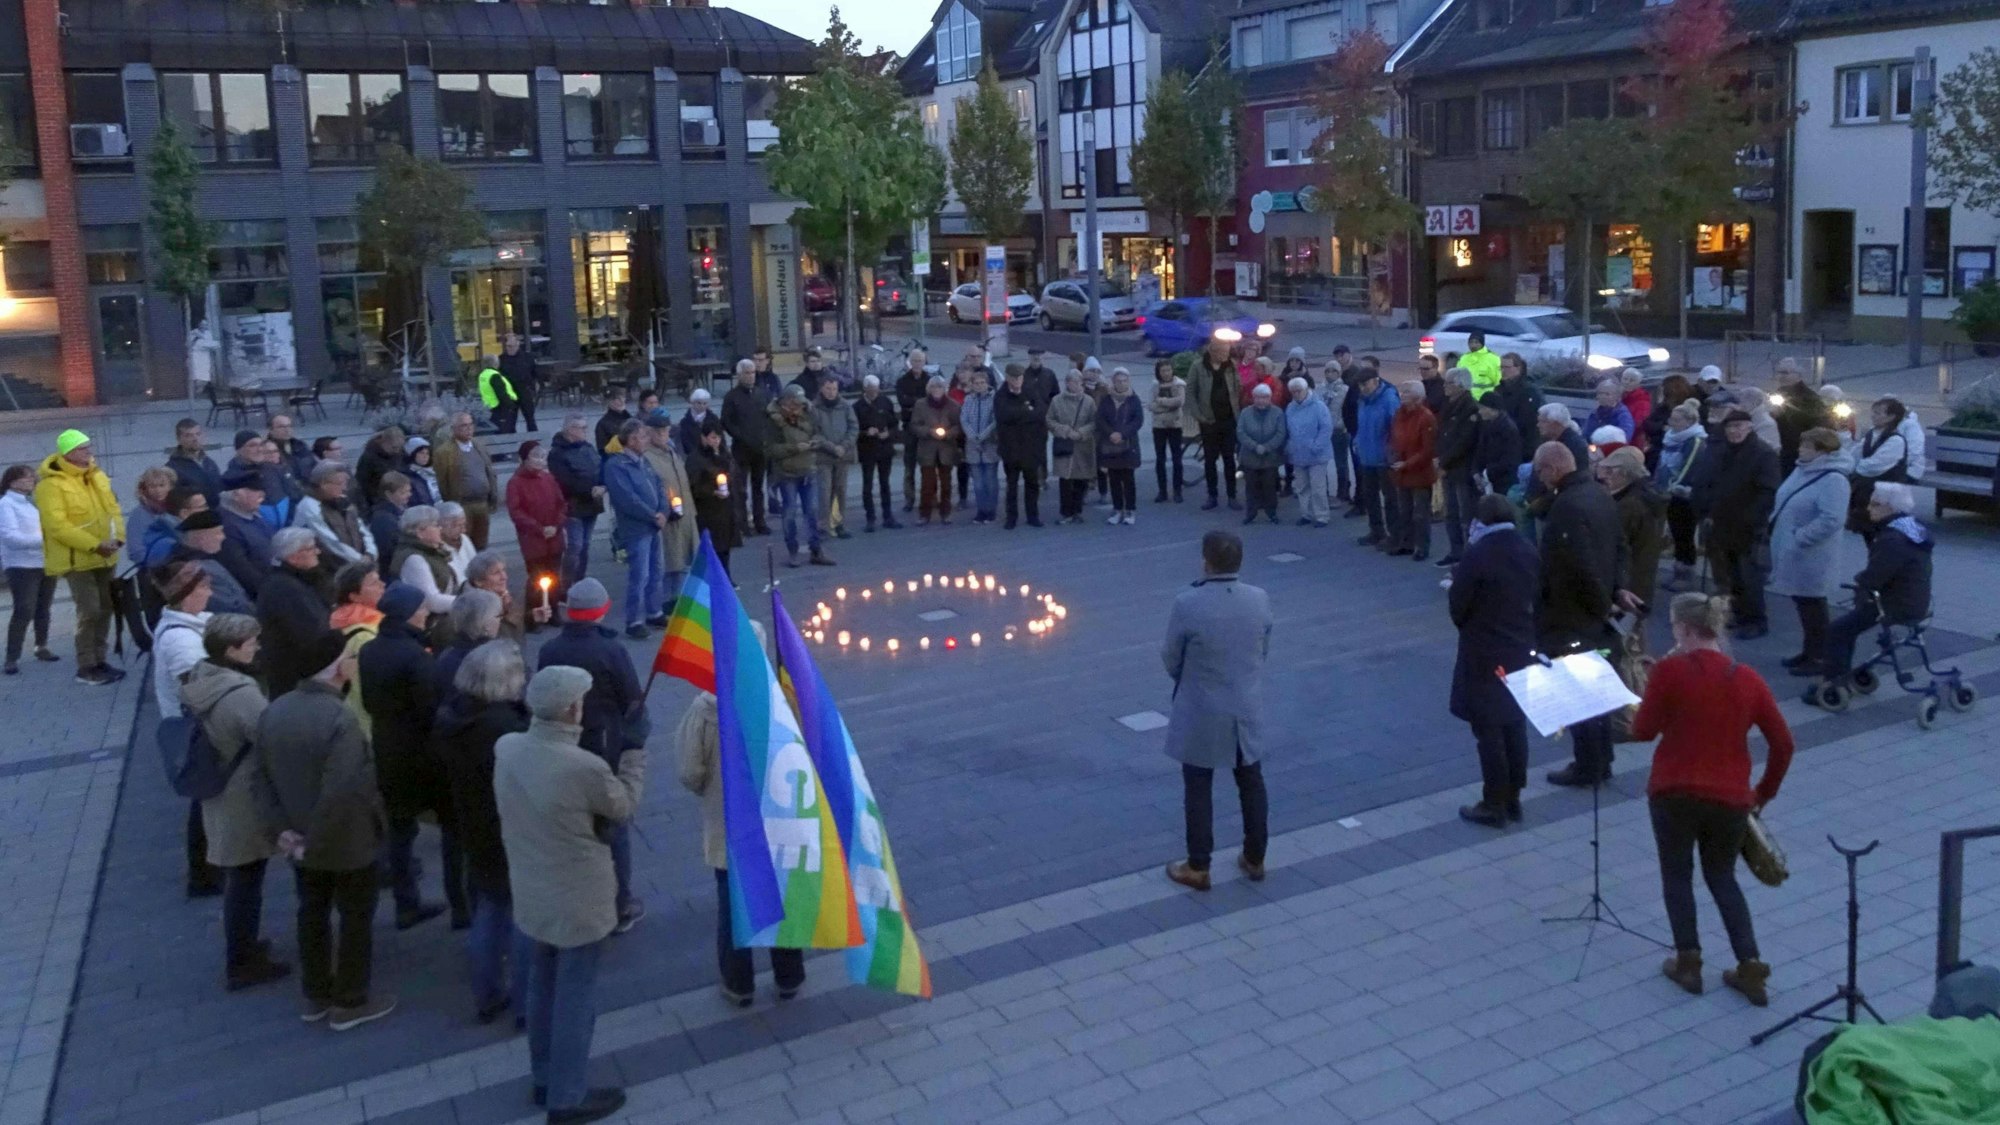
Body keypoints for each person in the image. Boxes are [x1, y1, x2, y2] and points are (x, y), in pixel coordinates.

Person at [496, 665, 645, 1125]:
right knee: (576, 998)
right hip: (578, 898)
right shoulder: (583, 766)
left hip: (532, 889)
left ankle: (544, 1077)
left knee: (541, 987)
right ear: (571, 710)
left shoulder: (508, 747)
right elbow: (620, 805)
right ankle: (568, 1096)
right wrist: (634, 754)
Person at [1634, 593, 1793, 1007]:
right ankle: (1750, 968)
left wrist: (1655, 690)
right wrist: (1763, 794)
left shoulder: (1669, 671)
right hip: (1730, 799)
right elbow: (1783, 744)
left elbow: (1643, 731)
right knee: (1722, 878)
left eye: (1673, 629)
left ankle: (1688, 964)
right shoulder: (1748, 678)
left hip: (1673, 792)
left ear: (1685, 629)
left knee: (1677, 875)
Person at [259, 630, 394, 1030]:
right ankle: (350, 1000)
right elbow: (343, 790)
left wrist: (282, 831)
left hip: (298, 837)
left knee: (312, 911)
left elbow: (259, 777)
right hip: (345, 840)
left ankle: (315, 993)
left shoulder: (275, 710)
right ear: (338, 667)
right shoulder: (339, 719)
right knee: (355, 916)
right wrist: (314, 843)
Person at [675, 621, 806, 1007]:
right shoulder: (780, 699)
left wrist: (707, 789)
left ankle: (738, 984)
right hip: (779, 818)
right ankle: (789, 977)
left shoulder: (704, 709)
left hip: (728, 824)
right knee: (779, 896)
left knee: (732, 904)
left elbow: (689, 771)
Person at [180, 611, 287, 989]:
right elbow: (270, 736)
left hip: (221, 791)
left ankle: (244, 949)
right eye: (251, 642)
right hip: (244, 794)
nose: (257, 647)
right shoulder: (240, 694)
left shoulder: (203, 675)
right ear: (233, 649)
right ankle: (242, 961)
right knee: (246, 879)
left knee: (242, 877)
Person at [536, 578, 649, 934]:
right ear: (602, 610)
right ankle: (621, 902)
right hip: (604, 745)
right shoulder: (610, 651)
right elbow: (631, 697)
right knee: (613, 824)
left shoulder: (550, 650)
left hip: (563, 746)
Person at [1161, 531, 1271, 891]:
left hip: (1202, 706)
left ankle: (1198, 865)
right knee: (1250, 779)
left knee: (1198, 784)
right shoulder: (1258, 598)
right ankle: (1255, 857)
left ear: (1206, 561)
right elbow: (1263, 648)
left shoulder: (1188, 603)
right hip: (1245, 704)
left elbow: (1171, 657)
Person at [435, 639, 534, 1024]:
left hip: (473, 824)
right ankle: (528, 1003)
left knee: (489, 907)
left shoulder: (455, 717)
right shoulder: (504, 728)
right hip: (509, 828)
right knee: (522, 918)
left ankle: (487, 993)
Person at [359, 582, 465, 930]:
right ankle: (460, 905)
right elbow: (430, 708)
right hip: (422, 754)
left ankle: (406, 902)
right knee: (453, 828)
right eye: (422, 610)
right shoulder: (415, 656)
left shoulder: (371, 649)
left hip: (387, 747)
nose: (427, 614)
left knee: (400, 831)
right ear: (409, 615)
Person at [1534, 442, 1628, 787]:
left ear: (1554, 468)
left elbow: (1579, 565)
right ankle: (1602, 758)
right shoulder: (1599, 495)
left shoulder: (1567, 507)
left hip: (1572, 617)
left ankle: (1588, 764)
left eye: (1541, 472)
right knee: (1597, 693)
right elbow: (1620, 547)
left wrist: (1601, 604)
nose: (1540, 480)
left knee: (1577, 696)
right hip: (1597, 615)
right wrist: (1616, 591)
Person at [1448, 494, 1539, 827]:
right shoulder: (1527, 548)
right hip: (1521, 646)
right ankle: (1514, 796)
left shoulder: (1478, 555)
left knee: (1488, 729)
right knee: (1514, 723)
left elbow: (1459, 607)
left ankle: (1494, 801)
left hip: (1485, 652)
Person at [1805, 482, 1933, 695]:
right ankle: (1843, 676)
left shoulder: (1893, 539)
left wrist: (1859, 583)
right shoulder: (1911, 529)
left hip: (1895, 603)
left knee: (1838, 631)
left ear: (1890, 508)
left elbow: (1874, 576)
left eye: (1875, 504)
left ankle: (1833, 684)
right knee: (1848, 627)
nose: (1869, 508)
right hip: (1914, 598)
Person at [151, 562, 225, 897]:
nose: (210, 593)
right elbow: (198, 689)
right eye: (204, 588)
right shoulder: (180, 641)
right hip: (196, 729)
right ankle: (204, 874)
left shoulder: (191, 624)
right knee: (206, 798)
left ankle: (207, 871)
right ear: (186, 594)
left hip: (196, 725)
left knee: (207, 799)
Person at [36, 430, 127, 685]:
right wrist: (94, 545)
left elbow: (114, 509)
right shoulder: (50, 485)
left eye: (88, 447)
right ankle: (86, 666)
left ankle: (100, 660)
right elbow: (57, 526)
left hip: (105, 556)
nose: (88, 452)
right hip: (77, 560)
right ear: (67, 453)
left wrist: (118, 538)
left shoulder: (96, 475)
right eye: (82, 448)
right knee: (89, 611)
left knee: (107, 608)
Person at [1763, 428, 1853, 675]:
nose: (1800, 449)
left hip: (1812, 553)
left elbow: (1832, 519)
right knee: (1803, 603)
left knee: (1813, 605)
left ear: (1822, 451)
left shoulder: (1834, 479)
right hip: (1793, 549)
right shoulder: (1803, 468)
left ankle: (1820, 657)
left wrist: (1800, 537)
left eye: (1806, 446)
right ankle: (1809, 651)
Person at [1698, 409, 1780, 639]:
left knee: (1750, 576)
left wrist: (1752, 518)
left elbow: (1768, 490)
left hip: (1749, 526)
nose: (1734, 431)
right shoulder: (1723, 450)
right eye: (1730, 427)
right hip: (1724, 523)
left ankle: (1756, 620)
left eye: (1739, 427)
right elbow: (1714, 482)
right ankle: (1740, 613)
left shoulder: (1763, 454)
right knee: (1733, 574)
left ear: (1749, 427)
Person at [601, 421, 669, 637]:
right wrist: (652, 515)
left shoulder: (644, 461)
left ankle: (653, 611)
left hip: (653, 525)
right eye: (643, 437)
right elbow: (626, 498)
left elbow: (659, 486)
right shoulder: (616, 466)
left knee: (656, 570)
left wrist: (663, 511)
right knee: (640, 574)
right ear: (631, 440)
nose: (647, 440)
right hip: (637, 528)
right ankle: (633, 620)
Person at [259, 528, 334, 696]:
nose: (318, 552)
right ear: (293, 556)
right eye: (311, 548)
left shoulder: (301, 580)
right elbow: (313, 632)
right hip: (297, 679)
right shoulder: (284, 588)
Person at [1, 464, 57, 674]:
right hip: (21, 565)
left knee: (44, 607)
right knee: (24, 609)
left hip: (44, 562)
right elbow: (10, 537)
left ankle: (41, 646)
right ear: (12, 481)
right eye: (25, 477)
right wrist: (44, 541)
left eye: (31, 477)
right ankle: (11, 657)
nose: (31, 480)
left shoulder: (33, 502)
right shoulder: (6, 504)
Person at [1600, 445, 1666, 624]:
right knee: (1634, 629)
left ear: (1624, 474)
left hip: (1626, 580)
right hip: (1641, 575)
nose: (1604, 475)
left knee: (1624, 632)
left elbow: (1613, 544)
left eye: (1610, 470)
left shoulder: (1629, 506)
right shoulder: (1646, 497)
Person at [768, 386, 832, 564]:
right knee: (789, 513)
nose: (799, 407)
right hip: (787, 473)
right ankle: (792, 550)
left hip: (808, 469)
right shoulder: (773, 420)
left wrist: (816, 441)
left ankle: (816, 550)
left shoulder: (809, 411)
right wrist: (795, 448)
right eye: (795, 404)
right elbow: (771, 449)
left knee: (811, 511)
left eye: (801, 404)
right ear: (786, 403)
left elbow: (819, 431)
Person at [639, 414, 698, 602]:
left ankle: (680, 599)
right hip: (667, 518)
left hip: (685, 515)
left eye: (667, 431)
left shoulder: (671, 452)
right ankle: (665, 601)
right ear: (651, 434)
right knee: (669, 563)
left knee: (683, 561)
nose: (667, 435)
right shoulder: (647, 457)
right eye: (662, 432)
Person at [1653, 401, 1711, 591]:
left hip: (1684, 494)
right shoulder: (1670, 437)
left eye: (1677, 420)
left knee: (1684, 532)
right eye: (1672, 418)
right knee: (1676, 532)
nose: (1672, 423)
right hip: (1669, 493)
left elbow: (1690, 465)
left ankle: (1685, 572)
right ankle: (1677, 569)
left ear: (1689, 421)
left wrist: (1675, 485)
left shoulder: (1694, 441)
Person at [507, 441, 568, 607]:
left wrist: (556, 525)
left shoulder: (549, 478)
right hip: (533, 539)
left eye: (542, 456)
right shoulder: (516, 482)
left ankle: (553, 610)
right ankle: (534, 613)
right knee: (537, 578)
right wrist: (539, 529)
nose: (540, 460)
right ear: (524, 459)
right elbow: (516, 512)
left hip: (554, 536)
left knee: (554, 576)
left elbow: (561, 504)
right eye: (535, 456)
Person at [548, 416, 605, 591]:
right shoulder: (557, 453)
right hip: (573, 506)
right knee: (575, 546)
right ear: (570, 430)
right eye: (581, 428)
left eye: (586, 427)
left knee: (585, 545)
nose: (585, 431)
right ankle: (566, 585)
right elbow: (564, 481)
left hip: (592, 505)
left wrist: (603, 485)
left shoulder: (588, 448)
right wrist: (591, 489)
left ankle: (580, 581)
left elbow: (600, 468)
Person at [1848, 396, 1916, 539]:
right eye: (1873, 412)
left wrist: (1854, 468)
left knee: (1883, 532)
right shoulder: (1871, 434)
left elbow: (1874, 466)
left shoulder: (1896, 440)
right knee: (1867, 532)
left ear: (1891, 417)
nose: (1873, 416)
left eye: (1878, 413)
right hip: (1867, 491)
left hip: (1887, 495)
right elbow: (1855, 454)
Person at [1433, 368, 1481, 566]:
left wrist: (1443, 461)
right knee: (1450, 512)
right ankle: (1455, 551)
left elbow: (1464, 441)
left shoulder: (1470, 408)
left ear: (1460, 386)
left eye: (1449, 383)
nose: (1445, 387)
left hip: (1462, 469)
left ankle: (1469, 556)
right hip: (1448, 467)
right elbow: (1442, 433)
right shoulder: (1449, 405)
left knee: (1465, 514)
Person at [721, 360, 774, 537]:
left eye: (753, 372)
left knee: (758, 488)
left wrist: (765, 438)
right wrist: (741, 436)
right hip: (741, 449)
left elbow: (769, 418)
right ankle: (743, 524)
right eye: (747, 373)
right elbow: (727, 422)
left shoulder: (762, 394)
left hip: (760, 448)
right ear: (739, 375)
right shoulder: (731, 397)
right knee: (740, 489)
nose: (751, 376)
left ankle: (760, 522)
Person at [1188, 336, 1241, 511]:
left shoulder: (1231, 367)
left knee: (1229, 460)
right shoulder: (1198, 367)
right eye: (1223, 352)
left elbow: (1237, 389)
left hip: (1228, 420)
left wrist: (1238, 414)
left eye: (1227, 352)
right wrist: (1200, 417)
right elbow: (1191, 395)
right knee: (1210, 460)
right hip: (1209, 422)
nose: (1226, 355)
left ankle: (1232, 496)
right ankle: (1212, 496)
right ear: (1213, 352)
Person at [1350, 368, 1400, 548]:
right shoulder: (1362, 400)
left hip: (1383, 458)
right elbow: (1362, 424)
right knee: (1370, 496)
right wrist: (1357, 440)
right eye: (1360, 385)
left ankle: (1395, 535)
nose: (1362, 388)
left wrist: (1390, 452)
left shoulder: (1389, 399)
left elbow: (1395, 428)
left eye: (1365, 384)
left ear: (1375, 381)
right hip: (1366, 456)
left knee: (1390, 498)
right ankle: (1376, 531)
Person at [1387, 379, 1437, 560]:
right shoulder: (1399, 414)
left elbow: (1427, 449)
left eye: (1406, 392)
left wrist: (1407, 463)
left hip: (1419, 473)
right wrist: (1393, 456)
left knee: (1420, 513)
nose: (1402, 395)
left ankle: (1422, 547)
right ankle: (1407, 543)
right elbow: (1393, 437)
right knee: (1405, 510)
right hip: (1401, 471)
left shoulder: (1426, 417)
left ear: (1417, 397)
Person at [433, 412, 498, 550]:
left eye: (470, 425)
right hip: (462, 505)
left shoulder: (479, 446)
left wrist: (493, 495)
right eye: (463, 426)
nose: (468, 429)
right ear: (454, 429)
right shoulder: (444, 452)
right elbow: (442, 482)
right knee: (463, 542)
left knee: (481, 542)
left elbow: (490, 472)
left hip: (482, 503)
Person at [686, 420, 742, 576]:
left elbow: (734, 474)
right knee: (713, 547)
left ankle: (726, 575)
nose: (716, 441)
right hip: (708, 510)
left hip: (725, 508)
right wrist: (711, 492)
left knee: (725, 547)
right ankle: (715, 577)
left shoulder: (725, 454)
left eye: (718, 437)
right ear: (703, 438)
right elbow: (693, 485)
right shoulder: (696, 458)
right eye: (712, 437)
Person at [996, 364, 1047, 529]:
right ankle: (1011, 518)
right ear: (1008, 377)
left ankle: (1033, 516)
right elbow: (1005, 416)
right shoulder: (1001, 395)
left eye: (1020, 377)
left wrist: (1022, 413)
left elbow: (1041, 412)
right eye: (1014, 377)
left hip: (1030, 449)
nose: (1017, 380)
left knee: (1032, 484)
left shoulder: (1030, 391)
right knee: (1012, 485)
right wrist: (1026, 411)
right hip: (1010, 450)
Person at [296, 462, 375, 566]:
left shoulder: (343, 500)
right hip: (326, 564)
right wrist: (361, 560)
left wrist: (371, 553)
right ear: (323, 484)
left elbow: (362, 529)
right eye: (340, 483)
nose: (344, 488)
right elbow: (330, 541)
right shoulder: (309, 506)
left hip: (356, 562)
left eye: (346, 483)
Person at [809, 375, 859, 538]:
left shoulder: (845, 406)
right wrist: (831, 447)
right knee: (824, 491)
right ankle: (823, 525)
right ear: (821, 388)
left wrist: (844, 446)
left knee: (840, 490)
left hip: (842, 455)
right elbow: (814, 432)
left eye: (834, 389)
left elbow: (853, 427)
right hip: (824, 455)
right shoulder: (814, 408)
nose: (831, 392)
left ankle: (839, 523)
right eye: (828, 389)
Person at [434, 588, 505, 699]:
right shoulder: (494, 660)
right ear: (485, 622)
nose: (500, 620)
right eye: (498, 616)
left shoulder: (447, 653)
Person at [852, 375, 902, 533]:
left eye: (876, 389)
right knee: (867, 485)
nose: (874, 392)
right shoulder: (857, 407)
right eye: (871, 389)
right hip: (867, 450)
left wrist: (889, 434)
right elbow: (853, 431)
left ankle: (888, 516)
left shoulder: (885, 402)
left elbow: (894, 425)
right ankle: (870, 518)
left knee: (885, 483)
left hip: (884, 448)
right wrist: (866, 432)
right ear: (865, 389)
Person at [911, 375, 963, 527]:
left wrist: (948, 434)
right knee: (927, 484)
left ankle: (946, 512)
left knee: (946, 483)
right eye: (933, 387)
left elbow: (958, 426)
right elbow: (914, 426)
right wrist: (929, 431)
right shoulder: (920, 404)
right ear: (929, 389)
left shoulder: (953, 405)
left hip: (946, 449)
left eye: (939, 387)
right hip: (927, 449)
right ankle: (924, 514)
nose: (936, 390)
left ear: (944, 389)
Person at [392, 505, 459, 620]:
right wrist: (467, 602)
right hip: (435, 622)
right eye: (435, 525)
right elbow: (432, 601)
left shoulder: (432, 550)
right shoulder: (413, 560)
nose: (440, 529)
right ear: (420, 532)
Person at [1048, 371, 1097, 526]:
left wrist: (1081, 433)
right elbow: (1049, 420)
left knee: (1081, 480)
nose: (1075, 385)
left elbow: (1094, 422)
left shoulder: (1089, 401)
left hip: (1083, 446)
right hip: (1065, 445)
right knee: (1065, 480)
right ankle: (1066, 512)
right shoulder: (1056, 401)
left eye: (1078, 382)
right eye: (1072, 382)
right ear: (1067, 383)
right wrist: (1065, 430)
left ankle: (1077, 511)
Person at [1284, 377, 1334, 528]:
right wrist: (1290, 447)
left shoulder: (1319, 406)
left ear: (1306, 390)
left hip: (1317, 454)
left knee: (1318, 487)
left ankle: (1322, 516)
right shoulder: (1290, 408)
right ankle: (1306, 514)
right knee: (1302, 486)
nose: (1296, 394)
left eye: (1299, 391)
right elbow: (1288, 429)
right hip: (1298, 454)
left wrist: (1316, 446)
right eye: (1293, 392)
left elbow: (1326, 428)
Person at [1234, 382, 1286, 526]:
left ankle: (1271, 513)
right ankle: (1251, 513)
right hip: (1250, 456)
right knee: (1251, 487)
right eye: (1257, 397)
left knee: (1269, 487)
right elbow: (1241, 432)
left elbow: (1281, 433)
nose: (1261, 400)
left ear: (1269, 398)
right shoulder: (1245, 412)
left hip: (1270, 457)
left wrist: (1267, 447)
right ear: (1253, 398)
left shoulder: (1278, 413)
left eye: (1264, 397)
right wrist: (1255, 446)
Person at [1097, 368, 1145, 526]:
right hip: (1110, 446)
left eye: (1125, 380)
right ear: (1113, 382)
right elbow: (1101, 419)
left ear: (1129, 381)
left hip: (1128, 445)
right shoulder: (1107, 399)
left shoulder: (1134, 399)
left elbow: (1138, 420)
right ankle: (1117, 509)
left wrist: (1122, 434)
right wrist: (1111, 433)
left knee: (1128, 479)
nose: (1122, 384)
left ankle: (1130, 509)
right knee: (1114, 479)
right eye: (1118, 381)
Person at [894, 349, 930, 514]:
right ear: (910, 362)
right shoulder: (902, 381)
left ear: (924, 362)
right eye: (915, 360)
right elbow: (903, 402)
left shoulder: (929, 380)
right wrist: (920, 402)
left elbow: (930, 401)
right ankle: (909, 499)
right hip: (909, 428)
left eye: (920, 361)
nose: (917, 364)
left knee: (927, 465)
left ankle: (927, 497)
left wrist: (914, 403)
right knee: (909, 466)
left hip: (925, 429)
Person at [219, 468, 276, 571]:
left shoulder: (254, 513)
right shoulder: (227, 526)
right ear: (236, 495)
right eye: (255, 490)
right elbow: (244, 570)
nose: (262, 495)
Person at [1147, 359, 1187, 504]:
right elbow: (1151, 405)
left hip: (1175, 426)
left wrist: (1162, 401)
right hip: (1159, 427)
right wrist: (1168, 405)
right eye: (1163, 371)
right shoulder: (1154, 385)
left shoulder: (1179, 384)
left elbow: (1180, 402)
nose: (1166, 373)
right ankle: (1162, 491)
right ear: (1158, 372)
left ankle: (1178, 491)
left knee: (1177, 459)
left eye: (1168, 370)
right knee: (1160, 459)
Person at [1473, 392, 1524, 498]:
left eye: (1483, 408)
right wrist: (1476, 471)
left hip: (1502, 483)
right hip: (1489, 480)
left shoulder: (1508, 429)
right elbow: (1480, 450)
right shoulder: (1487, 424)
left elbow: (1510, 460)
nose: (1480, 411)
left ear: (1493, 409)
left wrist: (1487, 473)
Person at [167, 419, 225, 510]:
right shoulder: (172, 469)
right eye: (188, 435)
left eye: (198, 434)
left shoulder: (209, 462)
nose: (195, 439)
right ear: (179, 439)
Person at [1643, 374, 1696, 468]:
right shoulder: (1663, 408)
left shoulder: (1688, 408)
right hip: (1659, 447)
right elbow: (1647, 424)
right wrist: (1663, 427)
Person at [368, 472, 412, 582]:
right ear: (388, 494)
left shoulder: (401, 510)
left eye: (409, 491)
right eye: (403, 492)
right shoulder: (383, 519)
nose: (409, 495)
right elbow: (388, 550)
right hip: (392, 573)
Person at [355, 427, 406, 508]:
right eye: (394, 447)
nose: (397, 451)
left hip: (397, 497)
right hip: (376, 501)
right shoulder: (369, 457)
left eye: (400, 447)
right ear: (384, 442)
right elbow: (361, 484)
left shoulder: (399, 452)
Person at [498, 334, 540, 434]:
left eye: (512, 346)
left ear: (517, 345)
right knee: (510, 421)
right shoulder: (501, 359)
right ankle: (511, 441)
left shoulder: (527, 357)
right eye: (508, 346)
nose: (509, 348)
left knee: (530, 419)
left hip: (525, 391)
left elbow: (535, 373)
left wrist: (536, 385)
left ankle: (534, 439)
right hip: (509, 393)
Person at [477, 355, 520, 435]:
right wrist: (511, 406)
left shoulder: (483, 375)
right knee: (505, 433)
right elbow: (501, 393)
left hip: (490, 406)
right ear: (495, 363)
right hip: (501, 408)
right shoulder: (495, 375)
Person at [1584, 379, 1636, 444]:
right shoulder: (1595, 413)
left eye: (1607, 394)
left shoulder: (1623, 415)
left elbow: (1624, 438)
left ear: (1617, 397)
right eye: (1600, 393)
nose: (1602, 397)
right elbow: (1586, 434)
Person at [1460, 330, 1502, 398]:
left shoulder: (1493, 359)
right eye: (1471, 342)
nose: (1473, 345)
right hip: (1466, 400)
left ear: (1482, 343)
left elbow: (1498, 382)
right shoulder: (1463, 358)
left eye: (1476, 342)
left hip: (1485, 399)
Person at [402, 437, 439, 508]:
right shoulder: (408, 475)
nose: (425, 456)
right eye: (421, 453)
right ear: (412, 454)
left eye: (427, 453)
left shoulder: (433, 471)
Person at [594, 388, 631, 455]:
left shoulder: (632, 420)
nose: (619, 401)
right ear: (608, 402)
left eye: (622, 398)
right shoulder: (602, 424)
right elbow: (602, 451)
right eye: (614, 399)